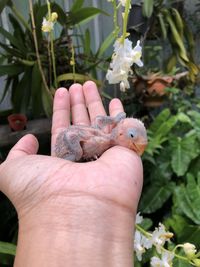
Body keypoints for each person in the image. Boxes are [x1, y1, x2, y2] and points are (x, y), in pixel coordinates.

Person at [0, 81, 143, 267]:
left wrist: (115, 120)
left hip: (81, 137)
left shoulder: (104, 140)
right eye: (132, 137)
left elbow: (99, 120)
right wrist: (75, 154)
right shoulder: (102, 140)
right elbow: (74, 134)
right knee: (77, 151)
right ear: (122, 135)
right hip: (69, 144)